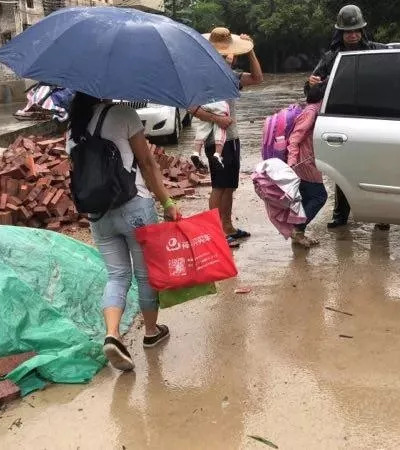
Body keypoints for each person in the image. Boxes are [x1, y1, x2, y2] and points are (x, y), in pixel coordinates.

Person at [67, 93, 181, 372]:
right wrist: (167, 202)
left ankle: (112, 334)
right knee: (144, 275)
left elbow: (75, 169)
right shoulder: (123, 115)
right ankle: (151, 332)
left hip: (99, 213)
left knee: (117, 275)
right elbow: (147, 163)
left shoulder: (73, 126)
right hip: (135, 206)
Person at [306, 5, 390, 230]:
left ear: (362, 30)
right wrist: (311, 83)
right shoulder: (330, 58)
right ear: (340, 33)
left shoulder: (379, 52)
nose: (352, 35)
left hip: (374, 120)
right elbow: (311, 95)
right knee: (342, 169)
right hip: (342, 121)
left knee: (376, 169)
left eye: (356, 30)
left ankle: (382, 216)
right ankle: (340, 214)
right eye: (348, 31)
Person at [189, 27, 263, 247]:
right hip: (215, 140)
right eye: (223, 54)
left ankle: (227, 225)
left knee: (230, 185)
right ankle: (215, 232)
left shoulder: (231, 77)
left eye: (229, 53)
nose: (228, 57)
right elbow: (192, 108)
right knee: (219, 186)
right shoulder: (202, 79)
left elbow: (258, 78)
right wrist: (216, 119)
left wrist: (250, 51)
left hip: (233, 137)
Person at [287, 83, 328, 248]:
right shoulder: (311, 112)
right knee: (319, 196)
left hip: (304, 161)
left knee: (306, 199)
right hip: (304, 162)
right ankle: (297, 229)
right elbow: (295, 138)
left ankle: (299, 234)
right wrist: (292, 162)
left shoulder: (314, 109)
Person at [191, 100, 230, 170]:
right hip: (220, 103)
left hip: (205, 103)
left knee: (202, 127)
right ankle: (217, 154)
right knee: (221, 128)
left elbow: (191, 109)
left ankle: (196, 152)